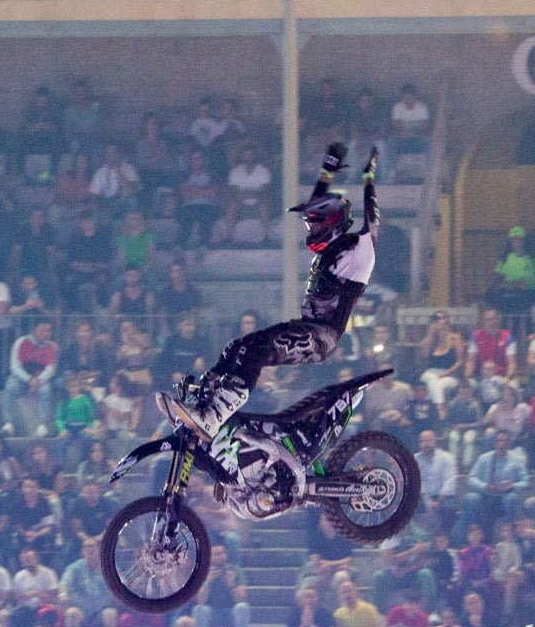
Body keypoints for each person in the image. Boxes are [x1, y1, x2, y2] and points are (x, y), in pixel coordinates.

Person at [162, 142, 378, 439]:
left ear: (332, 224)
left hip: (322, 336)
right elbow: (317, 201)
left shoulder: (357, 253)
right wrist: (328, 169)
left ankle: (214, 417)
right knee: (237, 347)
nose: (310, 231)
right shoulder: (331, 244)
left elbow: (372, 225)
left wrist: (369, 179)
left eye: (314, 226)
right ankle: (202, 402)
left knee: (258, 352)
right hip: (306, 326)